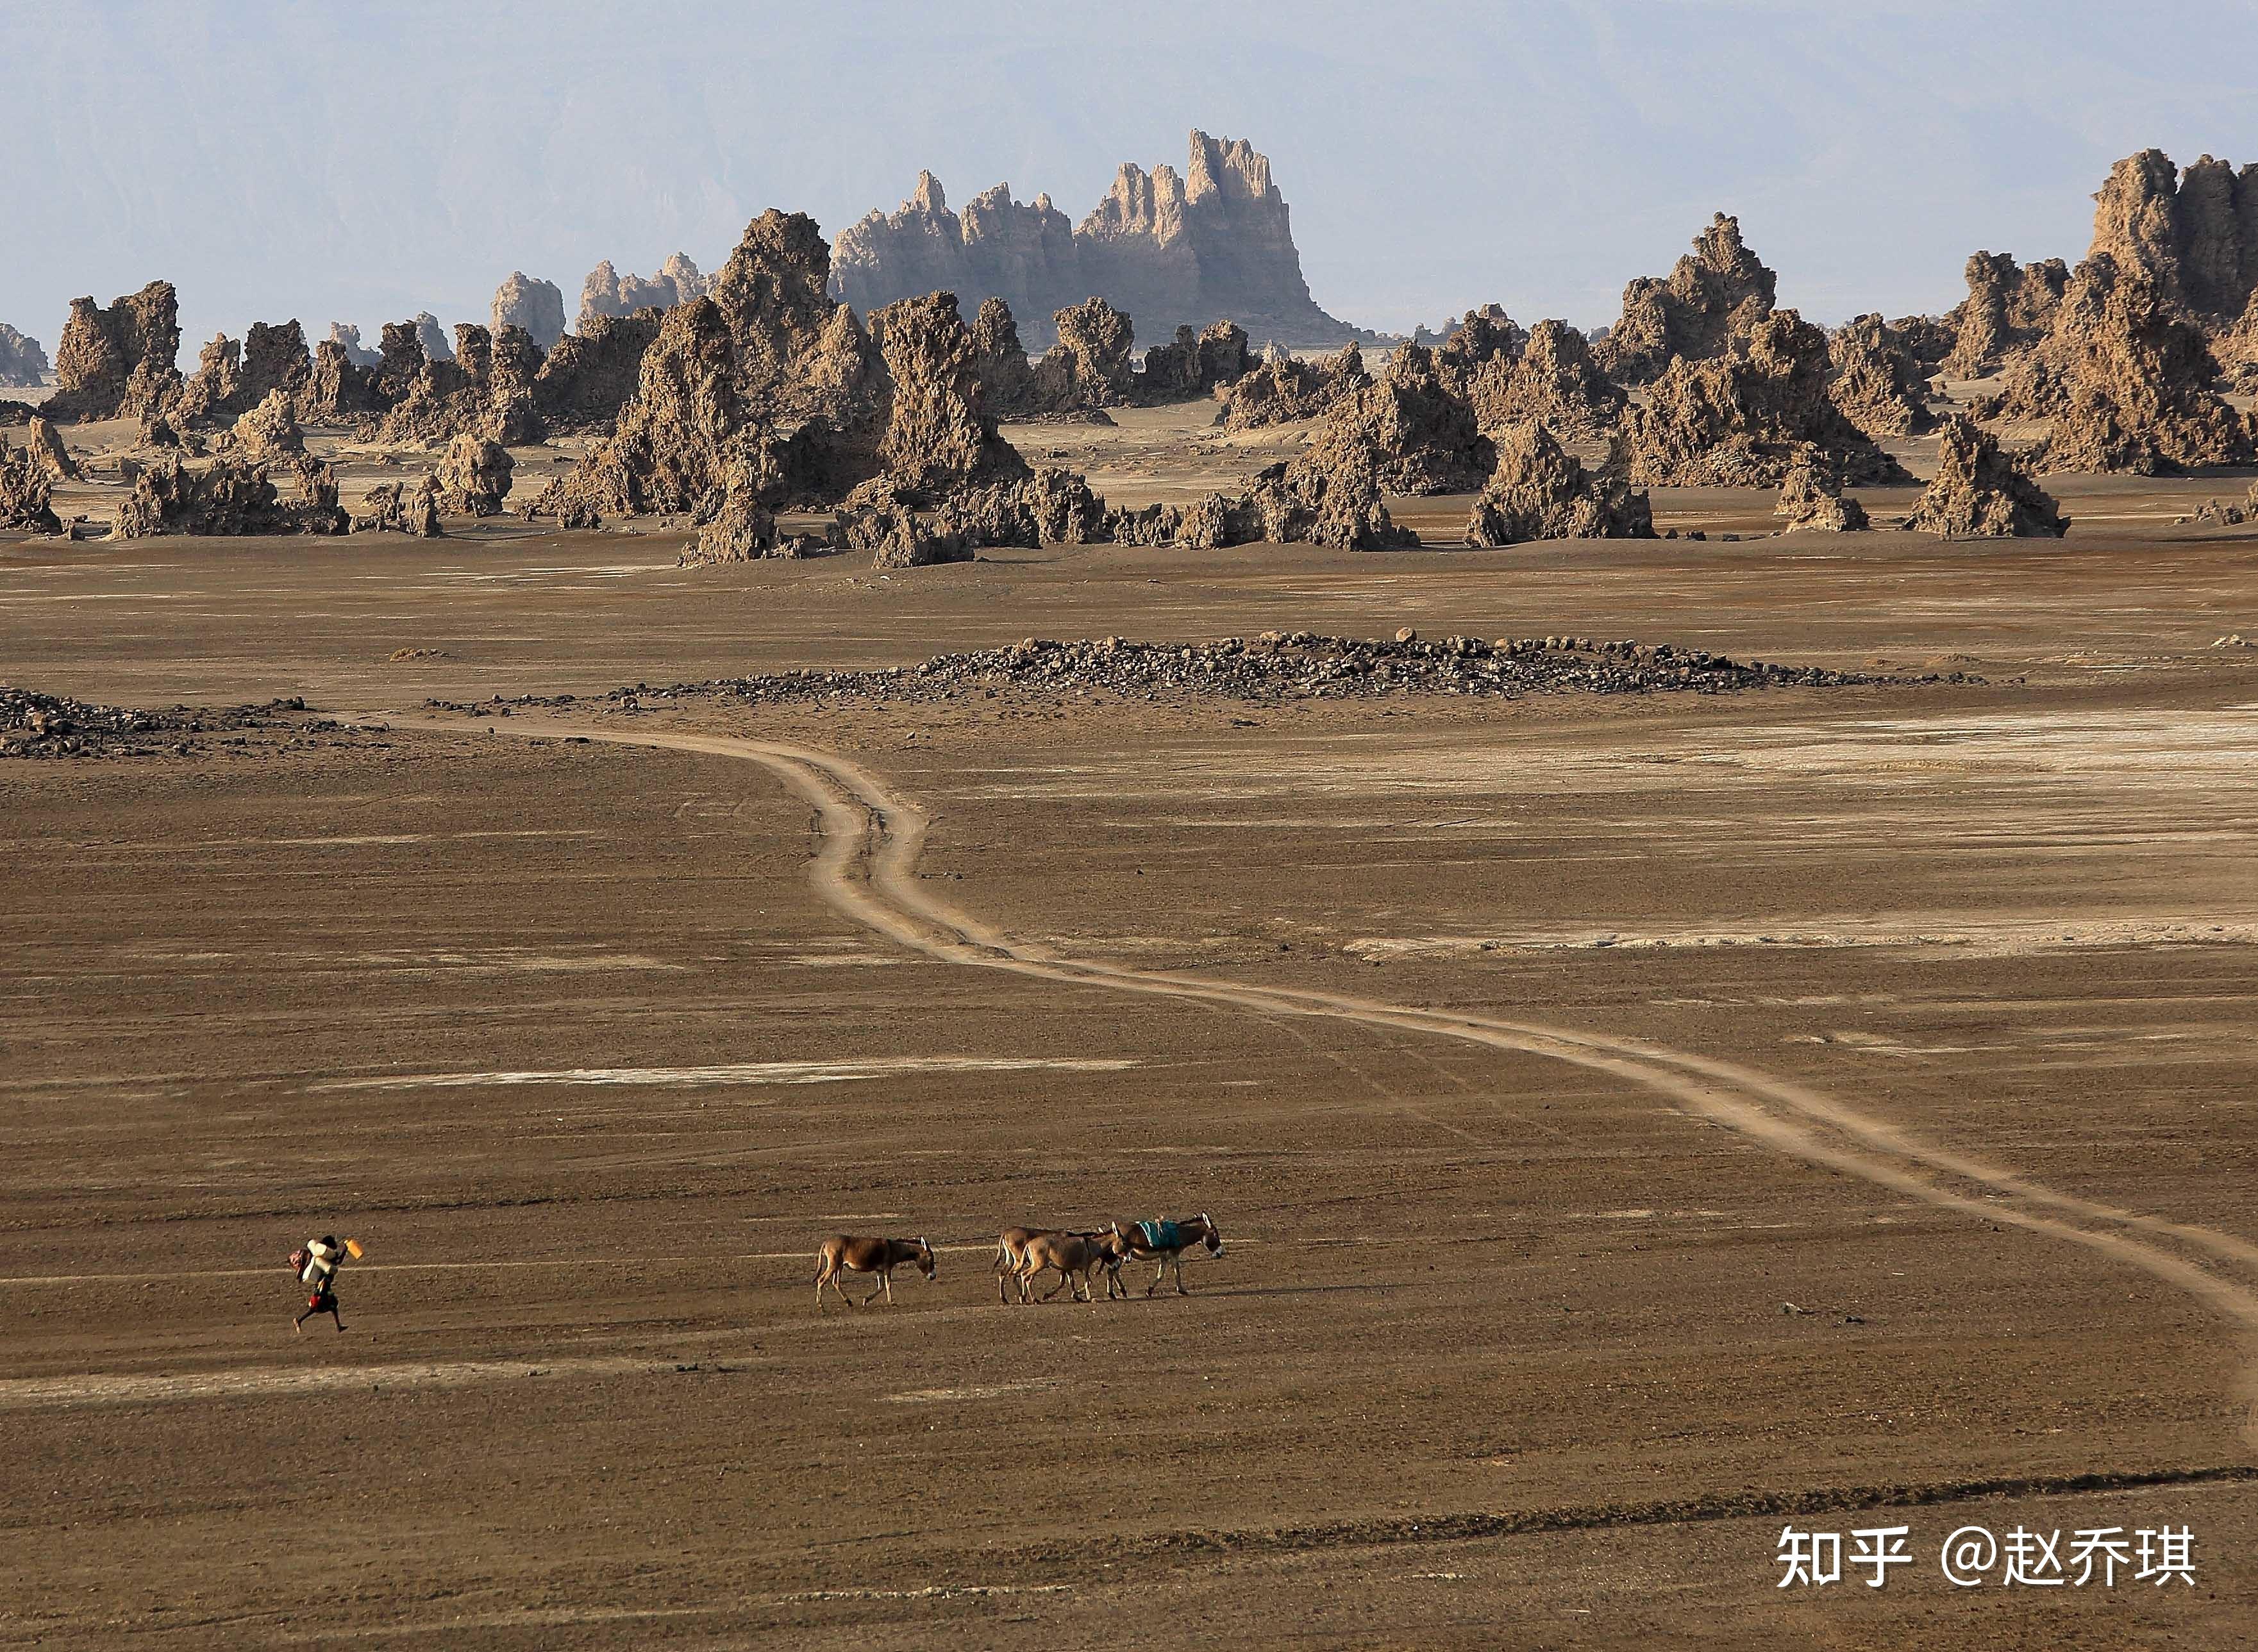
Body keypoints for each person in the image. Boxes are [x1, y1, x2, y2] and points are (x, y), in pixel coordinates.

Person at [292, 1234, 347, 1333]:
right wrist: (345, 1249)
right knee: (320, 1307)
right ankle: (299, 1320)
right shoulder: (326, 1257)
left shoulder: (323, 1257)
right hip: (323, 1286)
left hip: (322, 1286)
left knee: (330, 1307)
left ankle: (339, 1326)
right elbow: (338, 1261)